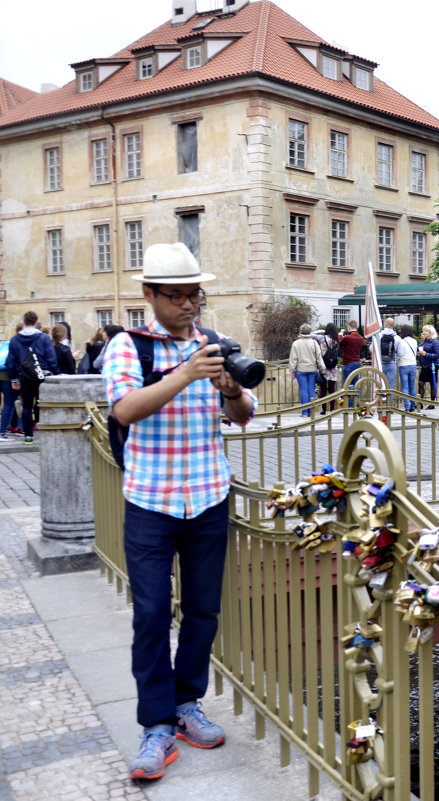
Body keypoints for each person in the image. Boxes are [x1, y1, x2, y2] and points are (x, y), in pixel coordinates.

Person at [102, 242, 256, 781]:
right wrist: (184, 374)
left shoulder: (215, 345)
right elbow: (125, 409)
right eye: (178, 296)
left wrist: (230, 388)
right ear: (150, 295)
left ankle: (188, 703)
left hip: (209, 496)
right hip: (150, 499)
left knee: (203, 610)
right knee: (149, 616)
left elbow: (242, 416)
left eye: (196, 294)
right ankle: (156, 726)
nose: (190, 305)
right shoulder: (128, 346)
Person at [6, 310, 60, 444]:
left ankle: (28, 435)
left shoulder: (15, 339)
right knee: (44, 405)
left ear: (24, 322)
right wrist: (57, 373)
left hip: (24, 375)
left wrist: (14, 378)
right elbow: (51, 357)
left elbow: (11, 361)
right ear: (36, 322)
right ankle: (46, 432)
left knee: (27, 406)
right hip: (43, 375)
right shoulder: (43, 338)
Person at [287, 323, 321, 416]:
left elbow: (293, 358)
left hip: (300, 370)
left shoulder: (296, 343)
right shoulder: (314, 343)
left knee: (303, 390)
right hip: (312, 369)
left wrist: (292, 370)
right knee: (311, 390)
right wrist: (322, 368)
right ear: (310, 332)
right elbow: (318, 357)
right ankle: (312, 411)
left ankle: (304, 412)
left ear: (300, 331)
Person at [339, 319, 366, 409]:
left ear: (349, 327)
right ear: (356, 327)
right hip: (357, 363)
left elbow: (340, 342)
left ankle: (349, 405)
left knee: (348, 384)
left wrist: (340, 333)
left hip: (348, 363)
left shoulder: (347, 338)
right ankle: (356, 403)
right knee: (356, 384)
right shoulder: (361, 338)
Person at [315, 323, 339, 413]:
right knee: (332, 389)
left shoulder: (322, 338)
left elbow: (311, 335)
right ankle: (332, 409)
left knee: (323, 389)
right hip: (334, 368)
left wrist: (319, 331)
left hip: (324, 366)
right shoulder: (336, 340)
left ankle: (324, 409)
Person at [416, 325, 439, 407]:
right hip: (425, 365)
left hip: (432, 365)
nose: (424, 332)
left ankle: (432, 403)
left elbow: (438, 355)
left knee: (432, 383)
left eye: (426, 331)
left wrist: (426, 354)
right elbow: (418, 347)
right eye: (424, 331)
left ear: (431, 332)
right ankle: (420, 402)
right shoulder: (424, 341)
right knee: (420, 382)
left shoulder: (435, 342)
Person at [396, 323, 419, 412]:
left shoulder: (401, 341)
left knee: (405, 387)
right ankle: (413, 406)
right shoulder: (414, 341)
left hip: (403, 365)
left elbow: (400, 354)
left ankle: (406, 407)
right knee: (412, 387)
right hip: (413, 365)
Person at [376, 318, 400, 391]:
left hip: (380, 363)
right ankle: (389, 402)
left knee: (380, 385)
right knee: (390, 386)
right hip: (392, 362)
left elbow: (371, 349)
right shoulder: (397, 338)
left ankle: (380, 402)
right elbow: (400, 352)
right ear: (393, 325)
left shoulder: (379, 336)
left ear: (385, 324)